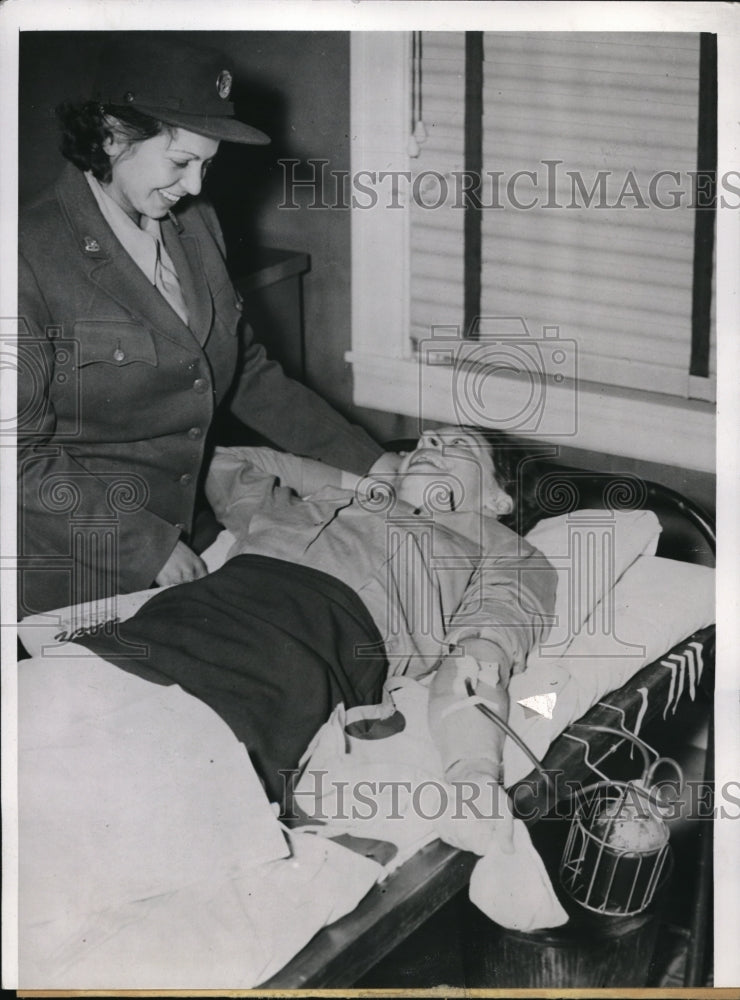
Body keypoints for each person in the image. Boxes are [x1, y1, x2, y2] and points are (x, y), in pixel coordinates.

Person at [17, 33, 388, 617]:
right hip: (83, 566)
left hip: (197, 534)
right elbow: (17, 456)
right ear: (113, 135)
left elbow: (246, 376)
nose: (195, 188)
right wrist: (147, 547)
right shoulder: (26, 256)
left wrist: (374, 464)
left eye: (207, 165)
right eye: (182, 161)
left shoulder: (196, 225)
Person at [201, 425, 557, 830]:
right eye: (425, 442)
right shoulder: (325, 502)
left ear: (499, 498)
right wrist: (372, 481)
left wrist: (473, 776)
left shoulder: (502, 548)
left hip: (313, 641)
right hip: (204, 603)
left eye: (458, 446)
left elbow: (479, 658)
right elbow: (221, 461)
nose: (431, 445)